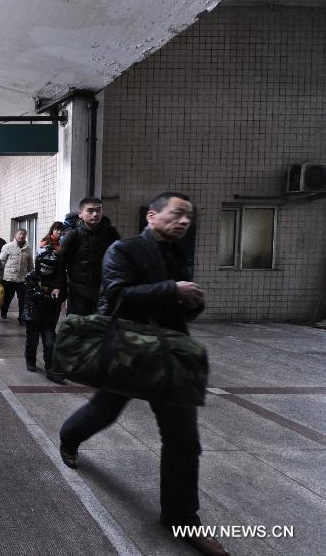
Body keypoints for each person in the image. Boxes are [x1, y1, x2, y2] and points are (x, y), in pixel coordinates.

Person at [58, 193, 227, 556]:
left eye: (189, 216)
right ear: (152, 216)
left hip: (167, 354)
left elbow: (175, 307)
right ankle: (68, 437)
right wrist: (172, 289)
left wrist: (191, 303)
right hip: (129, 351)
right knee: (104, 410)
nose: (184, 221)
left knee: (183, 439)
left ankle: (182, 518)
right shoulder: (124, 249)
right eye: (177, 213)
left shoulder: (177, 254)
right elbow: (115, 298)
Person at [53, 197, 120, 315]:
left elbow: (120, 260)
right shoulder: (73, 235)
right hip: (78, 291)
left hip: (104, 291)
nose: (95, 214)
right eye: (90, 211)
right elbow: (61, 263)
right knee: (78, 327)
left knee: (101, 328)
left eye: (98, 210)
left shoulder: (111, 233)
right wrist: (58, 286)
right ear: (80, 214)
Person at [22, 240, 65, 382]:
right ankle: (30, 360)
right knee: (32, 342)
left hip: (49, 318)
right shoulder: (31, 277)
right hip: (33, 316)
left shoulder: (58, 280)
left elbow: (62, 294)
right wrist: (50, 296)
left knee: (50, 343)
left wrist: (56, 294)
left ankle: (50, 368)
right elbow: (33, 294)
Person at [0, 229, 32, 324]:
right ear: (16, 235)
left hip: (22, 279)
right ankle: (4, 311)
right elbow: (1, 262)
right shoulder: (7, 246)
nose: (22, 236)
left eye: (24, 235)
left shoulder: (27, 248)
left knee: (23, 299)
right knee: (8, 297)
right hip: (9, 278)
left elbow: (30, 264)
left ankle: (22, 317)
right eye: (20, 234)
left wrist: (32, 275)